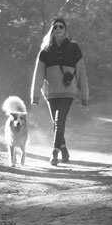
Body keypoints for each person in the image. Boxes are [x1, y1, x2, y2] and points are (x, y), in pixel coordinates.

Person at [30, 16, 89, 166]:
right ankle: (64, 149)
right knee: (56, 123)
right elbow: (39, 74)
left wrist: (84, 95)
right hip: (50, 91)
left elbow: (81, 71)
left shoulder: (74, 47)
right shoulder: (45, 50)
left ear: (65, 30)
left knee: (59, 121)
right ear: (52, 30)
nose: (58, 29)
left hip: (68, 90)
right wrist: (35, 95)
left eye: (60, 27)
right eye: (55, 27)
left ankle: (54, 152)